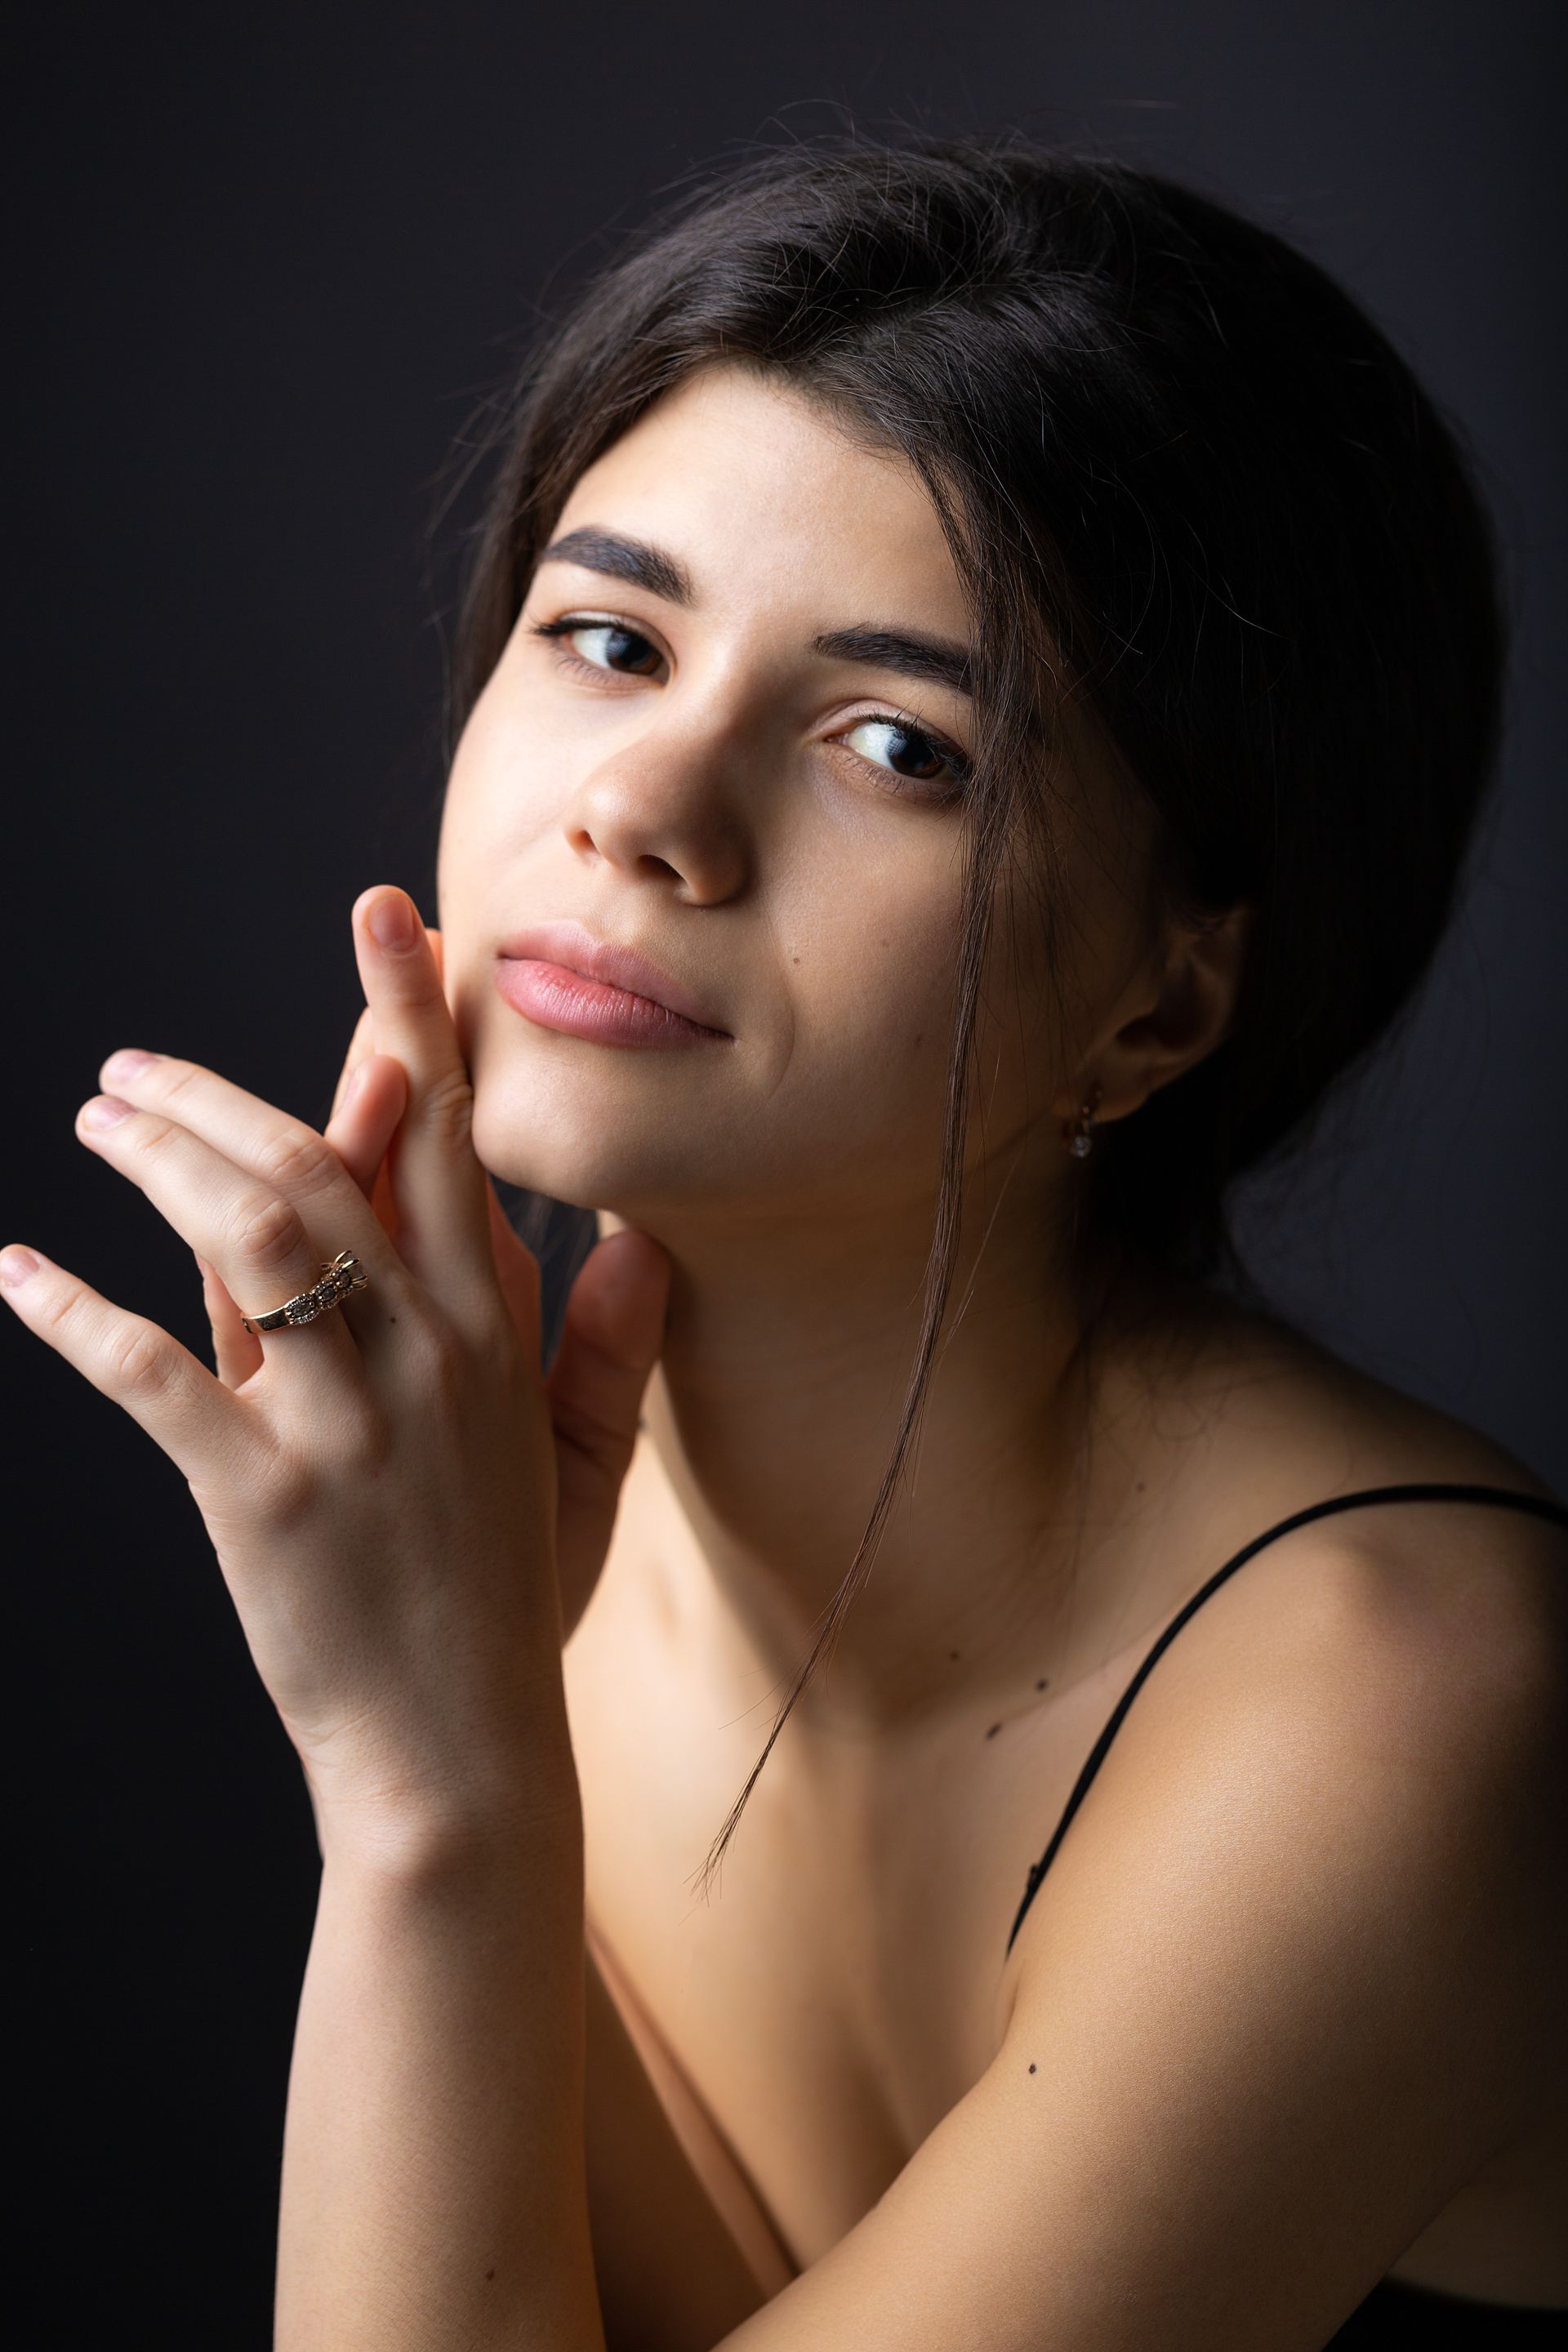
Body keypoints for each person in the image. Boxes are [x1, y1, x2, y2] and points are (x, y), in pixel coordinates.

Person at [4, 133, 1563, 2347]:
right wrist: (458, 1741)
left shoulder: (1407, 1716)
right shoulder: (510, 1523)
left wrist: (433, 1801)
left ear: (1160, 1005)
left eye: (897, 745)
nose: (639, 805)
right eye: (612, 637)